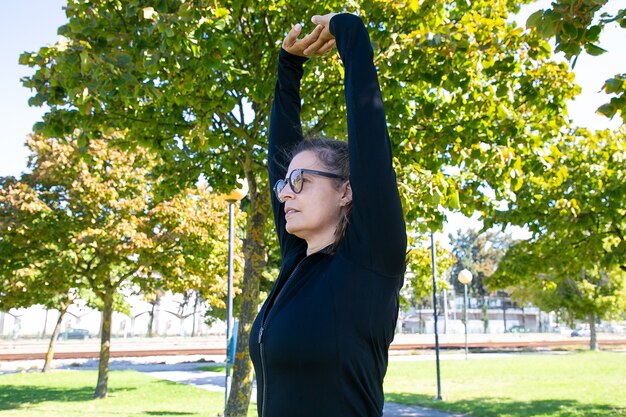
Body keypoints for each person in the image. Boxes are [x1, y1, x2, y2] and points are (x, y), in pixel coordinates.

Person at [249, 12, 407, 417]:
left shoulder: (369, 263)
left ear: (347, 191)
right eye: (285, 184)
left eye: (301, 180)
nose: (285, 192)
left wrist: (349, 31)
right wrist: (288, 68)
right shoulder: (296, 263)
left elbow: (370, 140)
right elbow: (278, 157)